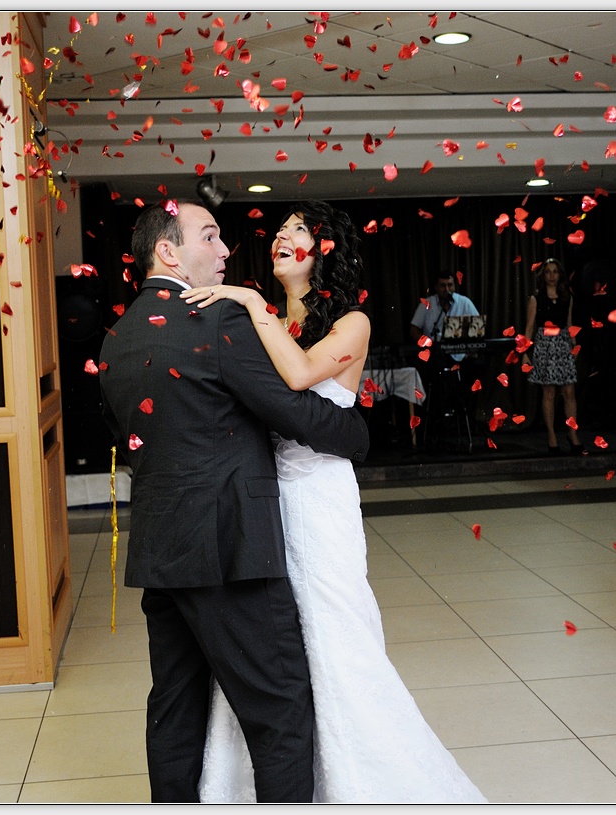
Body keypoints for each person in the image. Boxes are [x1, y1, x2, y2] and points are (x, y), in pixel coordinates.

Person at [183, 200, 487, 803]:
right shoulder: (267, 318)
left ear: (324, 249)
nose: (280, 237)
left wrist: (249, 304)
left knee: (334, 629)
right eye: (279, 229)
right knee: (271, 640)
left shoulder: (352, 323)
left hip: (319, 496)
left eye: (297, 230)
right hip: (263, 495)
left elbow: (299, 376)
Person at [97, 200, 370, 803]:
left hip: (161, 551)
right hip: (229, 551)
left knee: (174, 707)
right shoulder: (218, 320)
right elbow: (295, 413)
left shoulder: (117, 338)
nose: (226, 250)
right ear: (169, 252)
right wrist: (358, 434)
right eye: (211, 237)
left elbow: (133, 435)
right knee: (279, 710)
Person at [522, 258, 583, 454]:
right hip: (545, 346)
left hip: (563, 345)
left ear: (560, 275)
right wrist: (524, 353)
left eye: (555, 271)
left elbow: (569, 323)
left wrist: (573, 345)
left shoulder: (567, 297)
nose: (551, 276)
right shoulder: (536, 298)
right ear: (543, 275)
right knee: (549, 392)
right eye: (548, 272)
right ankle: (551, 436)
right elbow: (529, 327)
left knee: (569, 392)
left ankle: (572, 434)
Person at [409, 270, 480, 364]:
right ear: (436, 288)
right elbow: (414, 330)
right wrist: (428, 344)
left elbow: (478, 328)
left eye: (450, 285)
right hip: (433, 355)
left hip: (460, 356)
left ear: (454, 286)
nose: (446, 289)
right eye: (442, 285)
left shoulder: (465, 303)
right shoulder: (426, 304)